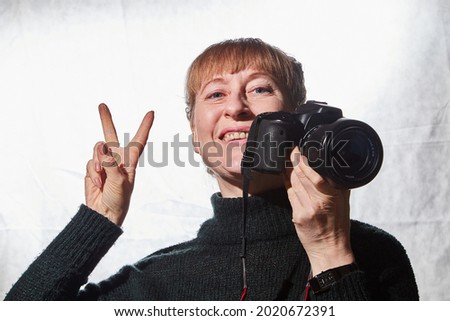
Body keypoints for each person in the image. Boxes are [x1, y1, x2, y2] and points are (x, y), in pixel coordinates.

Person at [5, 38, 418, 301]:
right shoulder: (156, 282)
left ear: (301, 116)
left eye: (259, 89)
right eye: (216, 93)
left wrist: (330, 254)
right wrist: (98, 221)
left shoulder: (372, 254)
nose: (236, 107)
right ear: (194, 132)